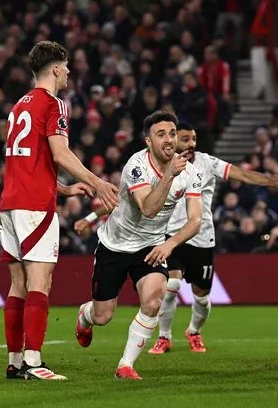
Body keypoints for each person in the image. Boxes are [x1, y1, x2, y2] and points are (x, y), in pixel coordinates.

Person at [75, 123, 278, 354]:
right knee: (172, 284)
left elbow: (243, 174)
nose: (191, 144)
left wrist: (276, 183)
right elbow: (123, 200)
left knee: (201, 297)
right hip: (169, 237)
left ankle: (194, 331)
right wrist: (90, 217)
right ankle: (164, 336)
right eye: (185, 139)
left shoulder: (206, 163)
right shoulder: (152, 165)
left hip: (201, 237)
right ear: (172, 141)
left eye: (194, 139)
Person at [0, 41, 119, 381]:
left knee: (17, 285)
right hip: (35, 205)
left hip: (9, 203)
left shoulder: (18, 105)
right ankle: (34, 363)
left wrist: (63, 188)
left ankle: (15, 360)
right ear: (54, 68)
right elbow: (60, 153)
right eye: (65, 67)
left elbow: (29, 159)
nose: (68, 72)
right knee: (41, 281)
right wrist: (97, 182)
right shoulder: (54, 104)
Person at [73, 111, 203, 380]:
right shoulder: (136, 166)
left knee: (155, 300)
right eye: (161, 134)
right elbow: (149, 209)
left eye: (172, 133)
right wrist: (168, 175)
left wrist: (170, 245)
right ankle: (85, 316)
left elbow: (195, 221)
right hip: (115, 246)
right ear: (148, 141)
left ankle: (125, 365)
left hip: (151, 246)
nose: (169, 139)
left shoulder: (190, 172)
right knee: (103, 316)